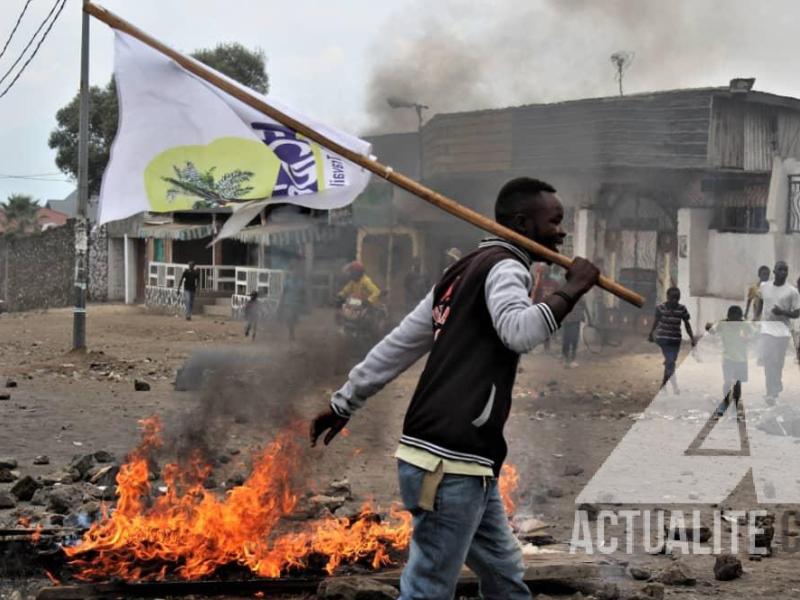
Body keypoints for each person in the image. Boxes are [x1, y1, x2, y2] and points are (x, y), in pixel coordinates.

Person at [310, 177, 599, 600]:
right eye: (555, 221)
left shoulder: (459, 271)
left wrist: (344, 401)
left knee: (505, 580)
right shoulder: (505, 266)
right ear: (522, 222)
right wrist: (571, 290)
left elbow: (398, 345)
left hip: (466, 464)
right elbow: (518, 331)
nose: (562, 231)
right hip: (448, 464)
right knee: (427, 589)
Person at [758, 261, 800, 403]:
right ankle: (771, 392)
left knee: (777, 362)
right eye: (780, 270)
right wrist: (756, 319)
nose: (783, 272)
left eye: (786, 270)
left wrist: (782, 312)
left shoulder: (792, 291)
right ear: (774, 271)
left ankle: (776, 384)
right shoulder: (764, 286)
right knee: (769, 361)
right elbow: (759, 302)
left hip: (782, 332)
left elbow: (797, 313)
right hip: (767, 330)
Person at [706, 305, 755, 417]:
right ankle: (726, 402)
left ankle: (736, 406)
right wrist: (708, 328)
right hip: (727, 358)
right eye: (732, 320)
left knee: (738, 384)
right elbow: (713, 331)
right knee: (728, 381)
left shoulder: (745, 325)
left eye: (737, 320)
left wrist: (748, 339)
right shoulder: (723, 324)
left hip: (741, 360)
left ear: (740, 318)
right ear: (728, 317)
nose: (734, 323)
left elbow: (756, 334)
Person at [648, 287, 696, 394]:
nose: (675, 300)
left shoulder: (682, 309)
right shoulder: (660, 308)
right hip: (663, 340)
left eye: (677, 298)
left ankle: (663, 386)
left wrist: (692, 338)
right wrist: (651, 333)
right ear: (667, 297)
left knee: (670, 363)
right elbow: (656, 322)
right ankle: (675, 387)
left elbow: (687, 324)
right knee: (670, 362)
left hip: (675, 340)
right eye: (673, 297)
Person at [561, 298, 589, 368]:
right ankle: (566, 358)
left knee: (574, 339)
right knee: (567, 339)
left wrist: (589, 318)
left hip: (575, 320)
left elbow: (585, 307)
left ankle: (571, 359)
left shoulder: (580, 297)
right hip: (568, 320)